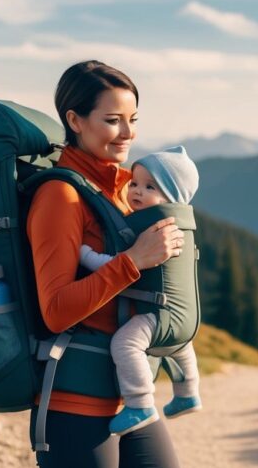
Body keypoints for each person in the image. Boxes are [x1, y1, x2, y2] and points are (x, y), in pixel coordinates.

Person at [27, 60, 193, 468]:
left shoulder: (124, 192)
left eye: (133, 119)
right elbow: (56, 308)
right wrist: (133, 261)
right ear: (74, 120)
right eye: (113, 120)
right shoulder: (61, 196)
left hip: (128, 398)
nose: (128, 134)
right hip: (74, 403)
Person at [78, 145, 202, 436]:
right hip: (187, 319)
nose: (136, 191)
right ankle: (188, 393)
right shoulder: (182, 227)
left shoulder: (153, 228)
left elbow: (119, 263)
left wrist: (86, 256)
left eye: (150, 187)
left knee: (125, 344)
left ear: (172, 197)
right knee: (181, 344)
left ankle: (140, 403)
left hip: (157, 314)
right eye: (133, 183)